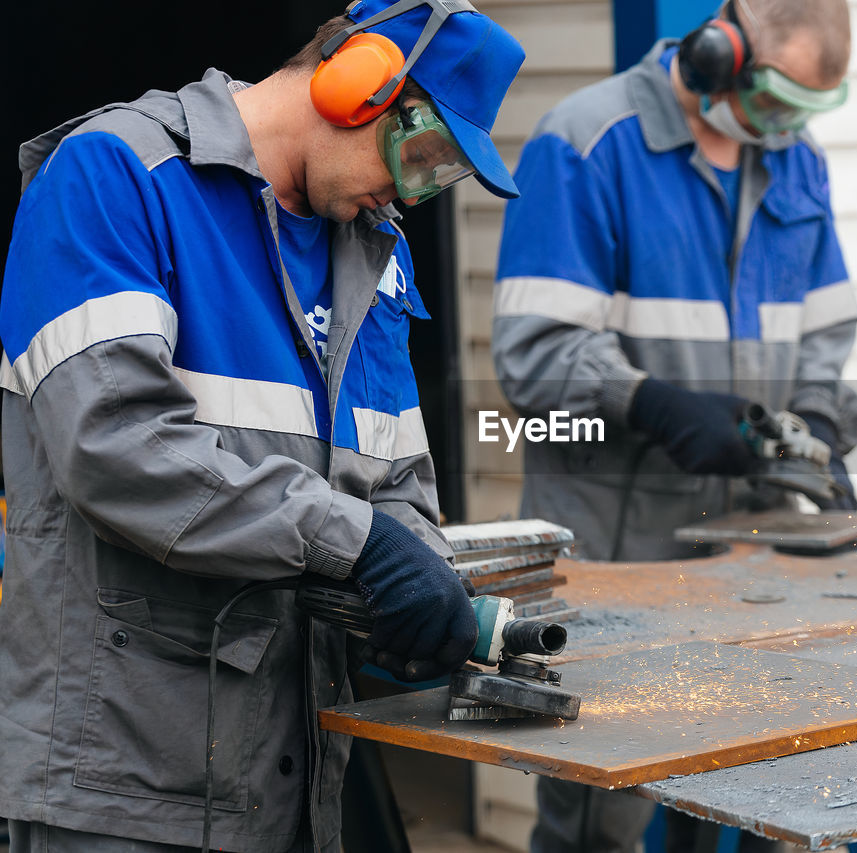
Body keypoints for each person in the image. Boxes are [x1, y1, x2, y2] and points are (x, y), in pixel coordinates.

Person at [0, 1, 523, 851]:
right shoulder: (114, 179)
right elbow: (115, 447)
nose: (412, 193)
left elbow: (393, 479)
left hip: (298, 775)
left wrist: (415, 583)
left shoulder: (371, 253)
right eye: (420, 156)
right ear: (358, 85)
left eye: (440, 178)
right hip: (124, 787)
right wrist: (358, 546)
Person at [492, 1, 857, 850]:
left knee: (760, 797)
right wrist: (650, 402)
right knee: (601, 815)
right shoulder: (586, 144)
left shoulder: (795, 163)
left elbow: (824, 328)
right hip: (620, 552)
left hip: (749, 552)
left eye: (804, 113)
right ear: (716, 53)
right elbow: (531, 354)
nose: (783, 129)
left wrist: (812, 417)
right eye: (774, 101)